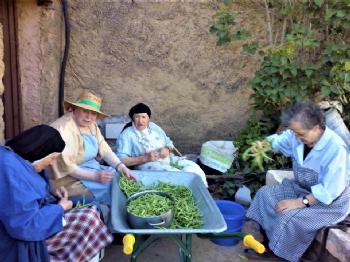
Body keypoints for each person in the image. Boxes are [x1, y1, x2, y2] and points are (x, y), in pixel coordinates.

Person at [246, 101, 350, 262]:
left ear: (316, 128)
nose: (296, 137)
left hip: (330, 202)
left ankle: (279, 256)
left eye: (300, 134)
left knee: (289, 218)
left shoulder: (336, 149)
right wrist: (263, 145)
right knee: (265, 194)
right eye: (295, 133)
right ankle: (268, 241)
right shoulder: (298, 137)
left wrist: (300, 202)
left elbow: (330, 190)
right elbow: (281, 140)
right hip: (304, 188)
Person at [0, 125, 113, 261]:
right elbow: (25, 224)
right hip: (18, 237)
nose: (52, 163)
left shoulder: (16, 157)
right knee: (88, 220)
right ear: (40, 152)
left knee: (91, 205)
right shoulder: (9, 169)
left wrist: (51, 194)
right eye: (52, 158)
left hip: (32, 221)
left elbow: (28, 195)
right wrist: (61, 208)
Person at [48, 91, 134, 206]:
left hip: (89, 168)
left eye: (93, 113)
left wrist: (120, 167)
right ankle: (107, 218)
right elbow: (66, 166)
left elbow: (104, 148)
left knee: (120, 179)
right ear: (74, 109)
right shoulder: (63, 129)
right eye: (85, 111)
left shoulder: (91, 125)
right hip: (67, 179)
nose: (89, 117)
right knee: (112, 189)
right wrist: (95, 176)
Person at [116, 103, 208, 186]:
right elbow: (121, 160)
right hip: (147, 165)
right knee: (175, 175)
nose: (140, 121)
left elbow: (168, 143)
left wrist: (167, 149)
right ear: (132, 118)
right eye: (137, 117)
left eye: (144, 117)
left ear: (148, 118)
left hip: (168, 159)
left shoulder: (154, 127)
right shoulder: (127, 134)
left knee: (194, 169)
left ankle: (202, 193)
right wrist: (144, 158)